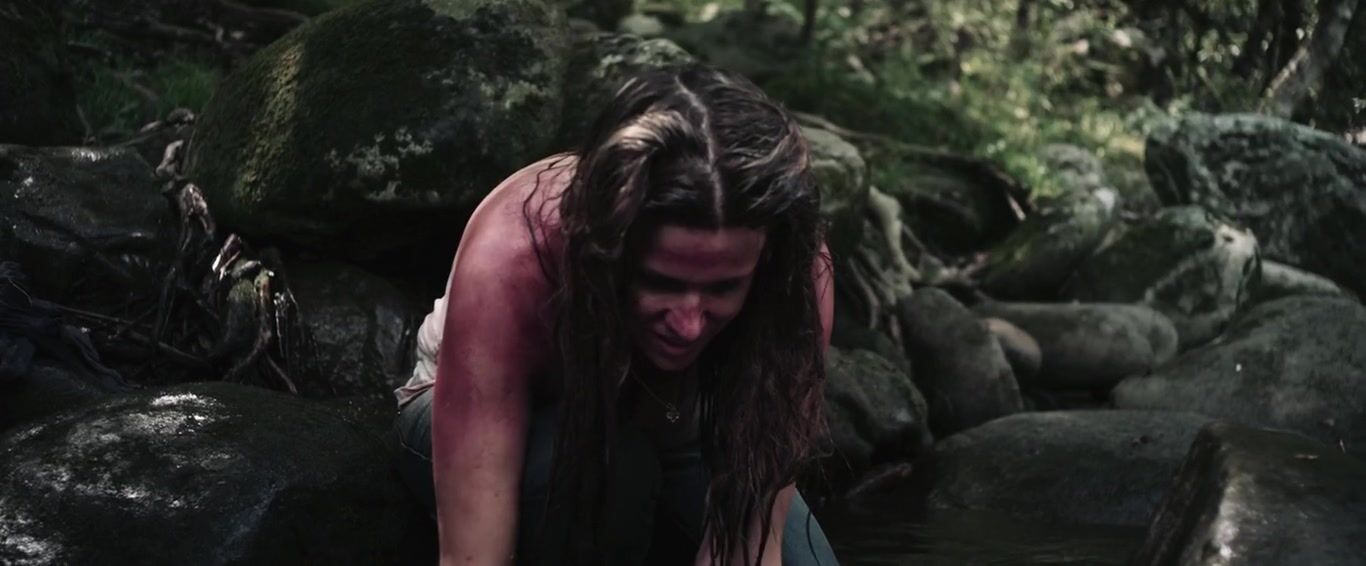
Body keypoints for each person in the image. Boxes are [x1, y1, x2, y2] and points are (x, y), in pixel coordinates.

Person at [391, 64, 838, 566]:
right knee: (616, 474)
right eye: (662, 282)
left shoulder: (796, 269)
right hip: (502, 419)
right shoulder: (514, 252)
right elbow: (474, 558)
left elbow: (752, 545)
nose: (689, 324)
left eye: (723, 287)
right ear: (607, 248)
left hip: (685, 430)